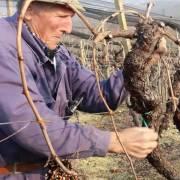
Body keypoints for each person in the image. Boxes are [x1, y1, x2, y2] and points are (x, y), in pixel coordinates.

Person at [0, 0, 158, 179]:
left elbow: (100, 95)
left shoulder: (57, 54)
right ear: (29, 10)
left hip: (42, 171)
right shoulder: (4, 46)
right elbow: (30, 125)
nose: (68, 27)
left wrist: (141, 61)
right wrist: (113, 141)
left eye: (71, 17)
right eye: (62, 16)